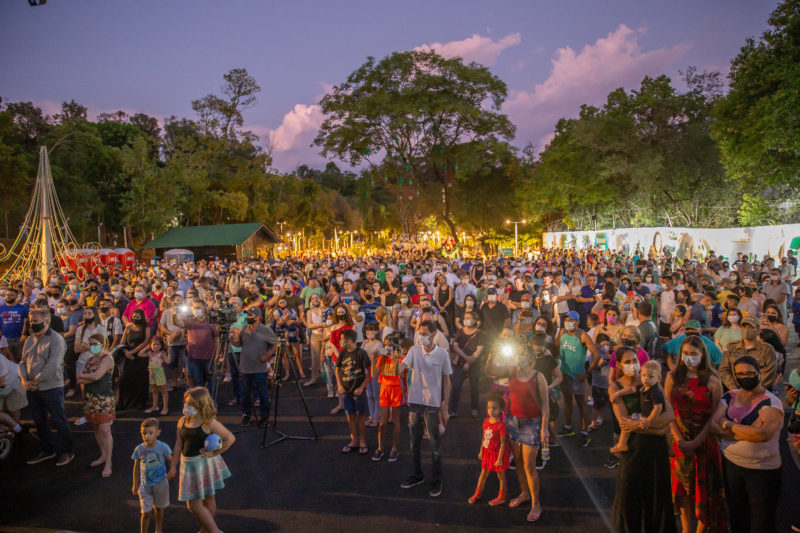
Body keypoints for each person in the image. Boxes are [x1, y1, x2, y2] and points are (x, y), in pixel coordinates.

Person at [711, 355, 784, 533]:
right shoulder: (729, 396)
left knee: (762, 523)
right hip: (732, 465)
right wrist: (747, 431)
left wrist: (728, 425)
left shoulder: (771, 402)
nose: (745, 377)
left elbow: (762, 435)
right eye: (740, 374)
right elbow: (713, 425)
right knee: (737, 518)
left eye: (750, 373)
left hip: (762, 471)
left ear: (759, 373)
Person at [610, 346, 677, 532]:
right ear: (619, 365)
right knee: (628, 497)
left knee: (657, 499)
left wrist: (647, 426)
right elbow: (624, 422)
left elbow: (670, 414)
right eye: (628, 362)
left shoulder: (650, 379)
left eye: (635, 361)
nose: (633, 365)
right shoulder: (615, 388)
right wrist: (658, 429)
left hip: (656, 450)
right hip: (633, 449)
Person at [664, 335, 727, 533]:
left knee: (705, 488)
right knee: (682, 487)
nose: (689, 357)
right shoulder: (672, 377)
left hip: (705, 441)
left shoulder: (713, 380)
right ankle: (686, 528)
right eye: (685, 353)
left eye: (694, 354)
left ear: (702, 355)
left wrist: (696, 441)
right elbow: (668, 410)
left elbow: (715, 416)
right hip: (679, 439)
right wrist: (679, 439)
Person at [168, 387, 234, 533]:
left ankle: (213, 530)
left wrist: (214, 453)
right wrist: (173, 466)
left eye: (190, 404)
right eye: (186, 403)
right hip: (188, 466)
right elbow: (179, 444)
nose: (186, 407)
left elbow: (230, 438)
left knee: (198, 502)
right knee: (200, 501)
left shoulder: (209, 423)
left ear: (201, 405)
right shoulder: (182, 421)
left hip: (203, 465)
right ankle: (207, 529)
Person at [399, 320, 452, 498]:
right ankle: (417, 475)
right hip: (415, 402)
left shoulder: (443, 354)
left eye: (424, 334)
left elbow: (447, 381)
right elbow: (400, 369)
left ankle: (437, 480)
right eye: (419, 334)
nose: (421, 337)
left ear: (433, 334)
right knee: (414, 443)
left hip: (433, 404)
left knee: (434, 446)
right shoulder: (414, 351)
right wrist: (396, 359)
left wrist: (445, 407)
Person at [19, 307, 74, 466]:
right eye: (31, 321)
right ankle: (47, 449)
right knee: (39, 420)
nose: (32, 324)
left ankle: (67, 451)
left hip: (51, 388)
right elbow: (23, 362)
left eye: (35, 321)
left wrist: (37, 379)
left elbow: (53, 364)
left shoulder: (56, 340)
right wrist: (24, 379)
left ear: (46, 322)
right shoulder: (30, 339)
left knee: (59, 420)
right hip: (32, 388)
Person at [556, 310, 600, 447]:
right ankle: (568, 427)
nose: (568, 322)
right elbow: (557, 348)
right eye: (566, 320)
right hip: (564, 374)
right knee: (567, 401)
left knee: (581, 404)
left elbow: (596, 354)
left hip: (577, 376)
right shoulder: (562, 333)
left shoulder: (583, 335)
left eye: (571, 320)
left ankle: (584, 432)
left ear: (578, 322)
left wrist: (587, 372)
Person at [230, 307, 278, 427]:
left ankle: (264, 417)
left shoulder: (265, 330)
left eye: (251, 315)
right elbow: (239, 343)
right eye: (248, 315)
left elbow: (276, 343)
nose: (248, 317)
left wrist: (268, 355)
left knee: (263, 394)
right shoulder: (244, 328)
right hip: (245, 367)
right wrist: (232, 340)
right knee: (245, 394)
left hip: (259, 367)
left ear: (258, 317)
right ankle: (246, 415)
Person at [77, 333, 116, 477]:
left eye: (95, 344)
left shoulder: (107, 359)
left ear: (103, 344)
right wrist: (90, 377)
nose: (92, 347)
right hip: (91, 398)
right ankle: (103, 455)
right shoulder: (89, 359)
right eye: (91, 344)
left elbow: (96, 376)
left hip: (103, 399)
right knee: (96, 428)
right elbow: (78, 378)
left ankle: (109, 462)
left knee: (105, 430)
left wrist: (86, 377)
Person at [610, 360, 664, 453]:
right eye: (644, 376)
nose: (646, 379)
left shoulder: (654, 392)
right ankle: (622, 443)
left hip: (650, 417)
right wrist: (618, 393)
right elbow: (632, 389)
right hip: (644, 415)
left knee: (628, 421)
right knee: (629, 420)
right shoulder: (644, 386)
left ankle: (622, 444)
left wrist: (648, 420)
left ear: (659, 379)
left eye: (651, 377)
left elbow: (658, 408)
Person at [467, 390, 510, 506]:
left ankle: (502, 497)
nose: (491, 410)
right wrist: (481, 451)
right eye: (489, 408)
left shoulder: (501, 426)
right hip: (487, 452)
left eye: (494, 408)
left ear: (501, 410)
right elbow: (484, 438)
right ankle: (477, 493)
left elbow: (503, 444)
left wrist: (499, 459)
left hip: (497, 454)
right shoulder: (486, 421)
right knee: (483, 473)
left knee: (501, 476)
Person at [132, 418, 173, 533]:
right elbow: (136, 467)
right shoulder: (139, 449)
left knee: (159, 509)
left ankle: (158, 529)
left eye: (150, 433)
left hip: (161, 483)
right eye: (144, 433)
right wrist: (135, 484)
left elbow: (171, 460)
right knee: (145, 513)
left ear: (157, 432)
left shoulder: (163, 447)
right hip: (145, 486)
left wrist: (172, 470)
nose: (147, 436)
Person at [336, 329, 372, 454]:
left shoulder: (362, 353)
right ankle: (354, 440)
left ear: (350, 340)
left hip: (359, 393)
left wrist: (362, 387)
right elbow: (337, 369)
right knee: (350, 416)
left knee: (361, 418)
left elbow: (370, 373)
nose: (341, 341)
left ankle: (362, 440)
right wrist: (339, 385)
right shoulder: (342, 353)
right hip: (347, 392)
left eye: (343, 339)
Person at [373, 336, 408, 463]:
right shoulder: (382, 357)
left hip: (396, 389)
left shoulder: (401, 358)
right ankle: (380, 447)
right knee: (382, 422)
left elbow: (399, 374)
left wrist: (395, 359)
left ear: (395, 346)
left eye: (390, 345)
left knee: (395, 420)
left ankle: (395, 448)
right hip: (384, 388)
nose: (387, 348)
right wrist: (374, 358)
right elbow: (373, 374)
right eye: (385, 345)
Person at [718, 316, 777, 391]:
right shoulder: (731, 347)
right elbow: (724, 370)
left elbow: (769, 374)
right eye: (744, 327)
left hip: (759, 392)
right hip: (735, 391)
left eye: (750, 327)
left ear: (759, 331)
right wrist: (734, 389)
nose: (746, 330)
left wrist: (754, 390)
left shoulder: (767, 349)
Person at [449, 310, 485, 418]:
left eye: (468, 318)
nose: (466, 320)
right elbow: (455, 347)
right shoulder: (460, 331)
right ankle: (453, 410)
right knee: (456, 385)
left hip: (474, 363)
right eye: (465, 318)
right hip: (461, 363)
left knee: (474, 386)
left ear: (474, 320)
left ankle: (474, 409)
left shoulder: (480, 334)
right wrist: (466, 358)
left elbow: (479, 351)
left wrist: (469, 362)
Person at [117, 310, 152, 411]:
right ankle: (124, 402)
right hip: (128, 357)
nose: (135, 319)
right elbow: (122, 342)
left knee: (140, 381)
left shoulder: (146, 328)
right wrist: (126, 352)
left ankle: (139, 403)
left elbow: (145, 342)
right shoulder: (128, 328)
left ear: (141, 318)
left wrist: (132, 352)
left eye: (137, 317)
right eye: (134, 317)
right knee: (125, 380)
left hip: (141, 357)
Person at [0, 347, 28, 433]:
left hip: (14, 380)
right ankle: (15, 429)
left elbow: (1, 379)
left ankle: (15, 431)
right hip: (4, 387)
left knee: (13, 409)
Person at [143, 337, 170, 415]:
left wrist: (169, 351)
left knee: (163, 390)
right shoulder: (149, 353)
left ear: (161, 346)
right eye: (154, 344)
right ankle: (154, 406)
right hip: (151, 373)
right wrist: (147, 347)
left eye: (158, 345)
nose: (155, 346)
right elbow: (140, 354)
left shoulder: (161, 353)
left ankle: (165, 407)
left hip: (159, 373)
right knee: (154, 390)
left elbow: (168, 361)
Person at [0, 286, 28, 362]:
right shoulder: (1, 308)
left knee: (20, 360)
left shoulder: (22, 308)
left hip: (19, 339)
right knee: (6, 361)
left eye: (11, 295)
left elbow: (30, 321)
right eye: (7, 295)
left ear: (16, 296)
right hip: (5, 340)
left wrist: (25, 335)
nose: (8, 296)